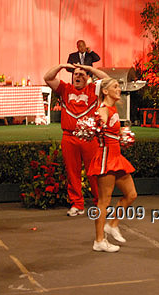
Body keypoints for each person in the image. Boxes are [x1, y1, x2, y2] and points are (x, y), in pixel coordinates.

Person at [44, 63, 109, 216]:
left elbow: (108, 80)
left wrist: (90, 69)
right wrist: (60, 66)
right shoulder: (65, 89)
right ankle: (77, 204)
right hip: (69, 137)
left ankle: (99, 203)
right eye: (76, 74)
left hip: (89, 138)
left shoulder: (94, 89)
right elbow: (47, 77)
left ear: (88, 78)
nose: (78, 76)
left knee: (93, 172)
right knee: (72, 173)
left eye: (82, 74)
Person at [87, 78, 137, 252]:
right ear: (105, 91)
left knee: (131, 195)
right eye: (115, 86)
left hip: (117, 158)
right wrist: (94, 126)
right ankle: (99, 240)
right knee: (104, 201)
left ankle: (112, 224)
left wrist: (122, 136)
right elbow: (96, 127)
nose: (119, 89)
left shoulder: (113, 109)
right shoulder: (103, 110)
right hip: (106, 159)